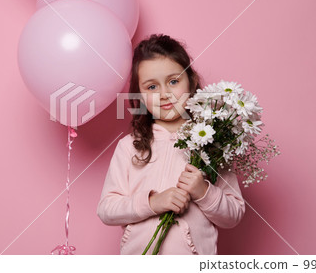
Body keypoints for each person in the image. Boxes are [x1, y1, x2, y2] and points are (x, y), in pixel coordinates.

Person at [97, 34, 245, 255]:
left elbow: (233, 214)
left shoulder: (212, 145)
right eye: (152, 87)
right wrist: (153, 203)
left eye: (173, 81)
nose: (164, 94)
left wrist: (204, 192)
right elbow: (106, 209)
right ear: (139, 96)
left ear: (192, 81)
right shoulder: (130, 147)